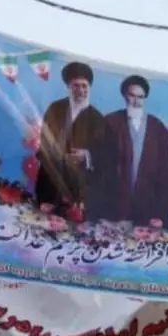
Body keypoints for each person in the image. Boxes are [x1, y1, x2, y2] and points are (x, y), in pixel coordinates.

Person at [100, 74, 168, 226]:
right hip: (113, 206)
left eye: (140, 97)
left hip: (147, 207)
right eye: (132, 96)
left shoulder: (156, 127)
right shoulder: (110, 122)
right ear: (124, 95)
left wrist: (162, 211)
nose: (136, 101)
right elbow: (98, 163)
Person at [35, 61, 109, 219]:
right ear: (68, 86)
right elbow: (44, 138)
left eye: (84, 86)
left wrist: (87, 155)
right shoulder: (55, 108)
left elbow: (104, 152)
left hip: (79, 185)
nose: (80, 91)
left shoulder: (97, 119)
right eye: (76, 86)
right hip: (50, 178)